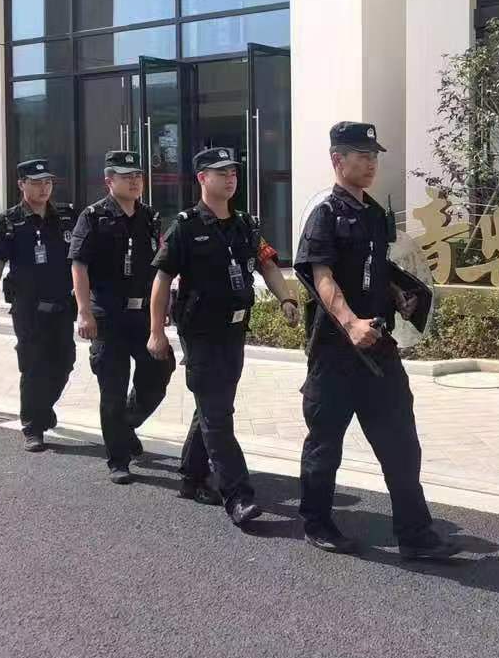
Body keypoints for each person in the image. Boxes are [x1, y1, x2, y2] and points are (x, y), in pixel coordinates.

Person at [293, 122, 463, 561]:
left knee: (401, 443)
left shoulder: (373, 214)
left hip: (379, 349)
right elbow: (321, 276)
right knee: (325, 443)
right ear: (338, 159)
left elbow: (377, 269)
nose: (371, 164)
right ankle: (317, 522)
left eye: (374, 156)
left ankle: (415, 534)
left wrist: (400, 294)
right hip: (335, 353)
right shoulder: (325, 214)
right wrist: (350, 323)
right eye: (362, 156)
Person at [147, 147, 301, 528]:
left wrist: (286, 298)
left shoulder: (245, 224)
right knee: (218, 414)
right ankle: (238, 495)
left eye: (233, 172)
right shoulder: (184, 227)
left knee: (213, 407)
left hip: (234, 331)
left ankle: (191, 475)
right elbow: (162, 281)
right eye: (221, 173)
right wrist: (156, 332)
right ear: (202, 179)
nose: (230, 178)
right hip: (200, 334)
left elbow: (267, 264)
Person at [69, 150, 174, 484]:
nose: (134, 181)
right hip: (107, 315)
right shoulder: (93, 217)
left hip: (141, 314)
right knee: (112, 387)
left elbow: (159, 268)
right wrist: (84, 312)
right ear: (109, 181)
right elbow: (79, 266)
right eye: (126, 176)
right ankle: (118, 459)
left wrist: (162, 309)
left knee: (160, 370)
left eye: (137, 176)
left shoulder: (150, 216)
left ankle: (126, 424)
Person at [0, 158, 77, 452]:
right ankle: (33, 427)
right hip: (28, 308)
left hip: (62, 303)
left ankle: (43, 407)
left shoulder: (66, 216)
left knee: (64, 362)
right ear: (21, 184)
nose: (44, 188)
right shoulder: (9, 221)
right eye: (36, 183)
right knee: (34, 366)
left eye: (48, 182)